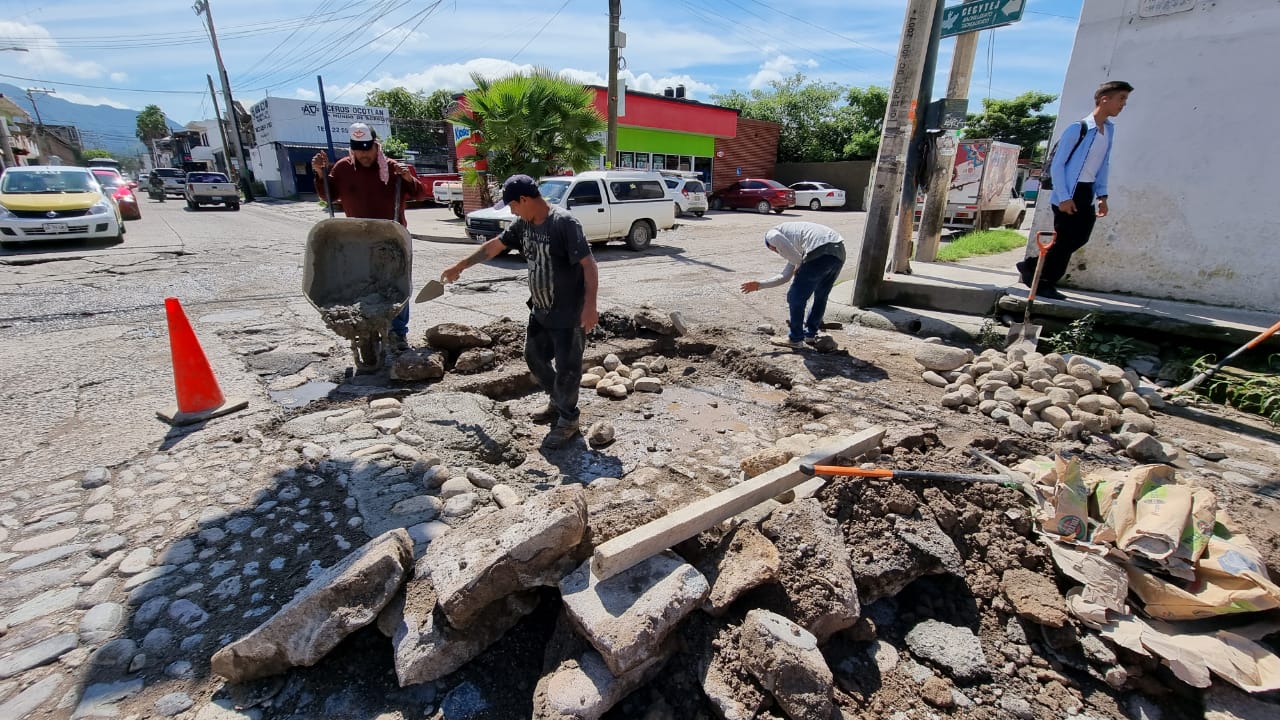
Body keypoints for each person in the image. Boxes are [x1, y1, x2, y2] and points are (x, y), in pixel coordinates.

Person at [441, 174, 599, 449]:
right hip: (540, 307)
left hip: (569, 312)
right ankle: (558, 400)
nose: (512, 210)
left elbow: (589, 265)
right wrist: (460, 266)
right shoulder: (523, 224)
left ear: (524, 200)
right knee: (534, 356)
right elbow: (493, 247)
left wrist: (590, 306)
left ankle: (568, 419)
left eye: (513, 205)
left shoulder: (564, 224)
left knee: (568, 369)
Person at [312, 122, 426, 349]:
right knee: (362, 283)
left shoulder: (392, 168)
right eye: (359, 149)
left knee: (397, 285)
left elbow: (420, 193)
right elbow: (328, 195)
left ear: (376, 146)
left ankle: (397, 333)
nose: (364, 154)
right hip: (358, 238)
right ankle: (365, 329)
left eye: (368, 148)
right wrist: (319, 172)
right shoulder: (343, 169)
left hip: (391, 237)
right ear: (352, 149)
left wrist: (407, 179)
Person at [1017, 80, 1133, 300]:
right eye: (1121, 99)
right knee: (1064, 240)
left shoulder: (1107, 130)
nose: (1123, 104)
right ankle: (1043, 281)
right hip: (1069, 191)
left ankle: (1031, 266)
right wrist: (1064, 196)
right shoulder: (1078, 128)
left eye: (1125, 100)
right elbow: (1058, 165)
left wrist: (1102, 195)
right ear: (1104, 99)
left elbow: (1103, 164)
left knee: (1079, 237)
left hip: (1087, 190)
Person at [740, 221, 846, 349]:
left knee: (794, 296)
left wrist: (800, 264)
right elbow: (785, 276)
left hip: (820, 251)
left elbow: (776, 240)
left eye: (773, 249)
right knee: (821, 296)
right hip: (838, 253)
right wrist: (760, 285)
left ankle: (795, 338)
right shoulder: (797, 248)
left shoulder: (772, 235)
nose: (776, 251)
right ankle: (810, 335)